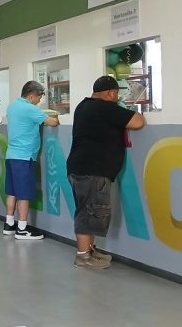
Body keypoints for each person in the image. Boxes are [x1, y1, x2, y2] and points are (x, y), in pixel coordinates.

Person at [67, 75, 145, 269]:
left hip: (82, 168)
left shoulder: (84, 106)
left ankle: (90, 250)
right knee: (88, 213)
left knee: (91, 212)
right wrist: (129, 109)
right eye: (117, 94)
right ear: (110, 93)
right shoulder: (104, 108)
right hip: (91, 171)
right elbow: (138, 122)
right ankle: (83, 256)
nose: (117, 98)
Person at [2, 81, 59, 240]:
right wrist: (54, 117)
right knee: (23, 193)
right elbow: (53, 122)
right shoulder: (30, 109)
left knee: (12, 191)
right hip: (24, 157)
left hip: (11, 155)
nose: (39, 102)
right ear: (32, 95)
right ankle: (22, 228)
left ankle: (9, 224)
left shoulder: (12, 106)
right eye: (39, 98)